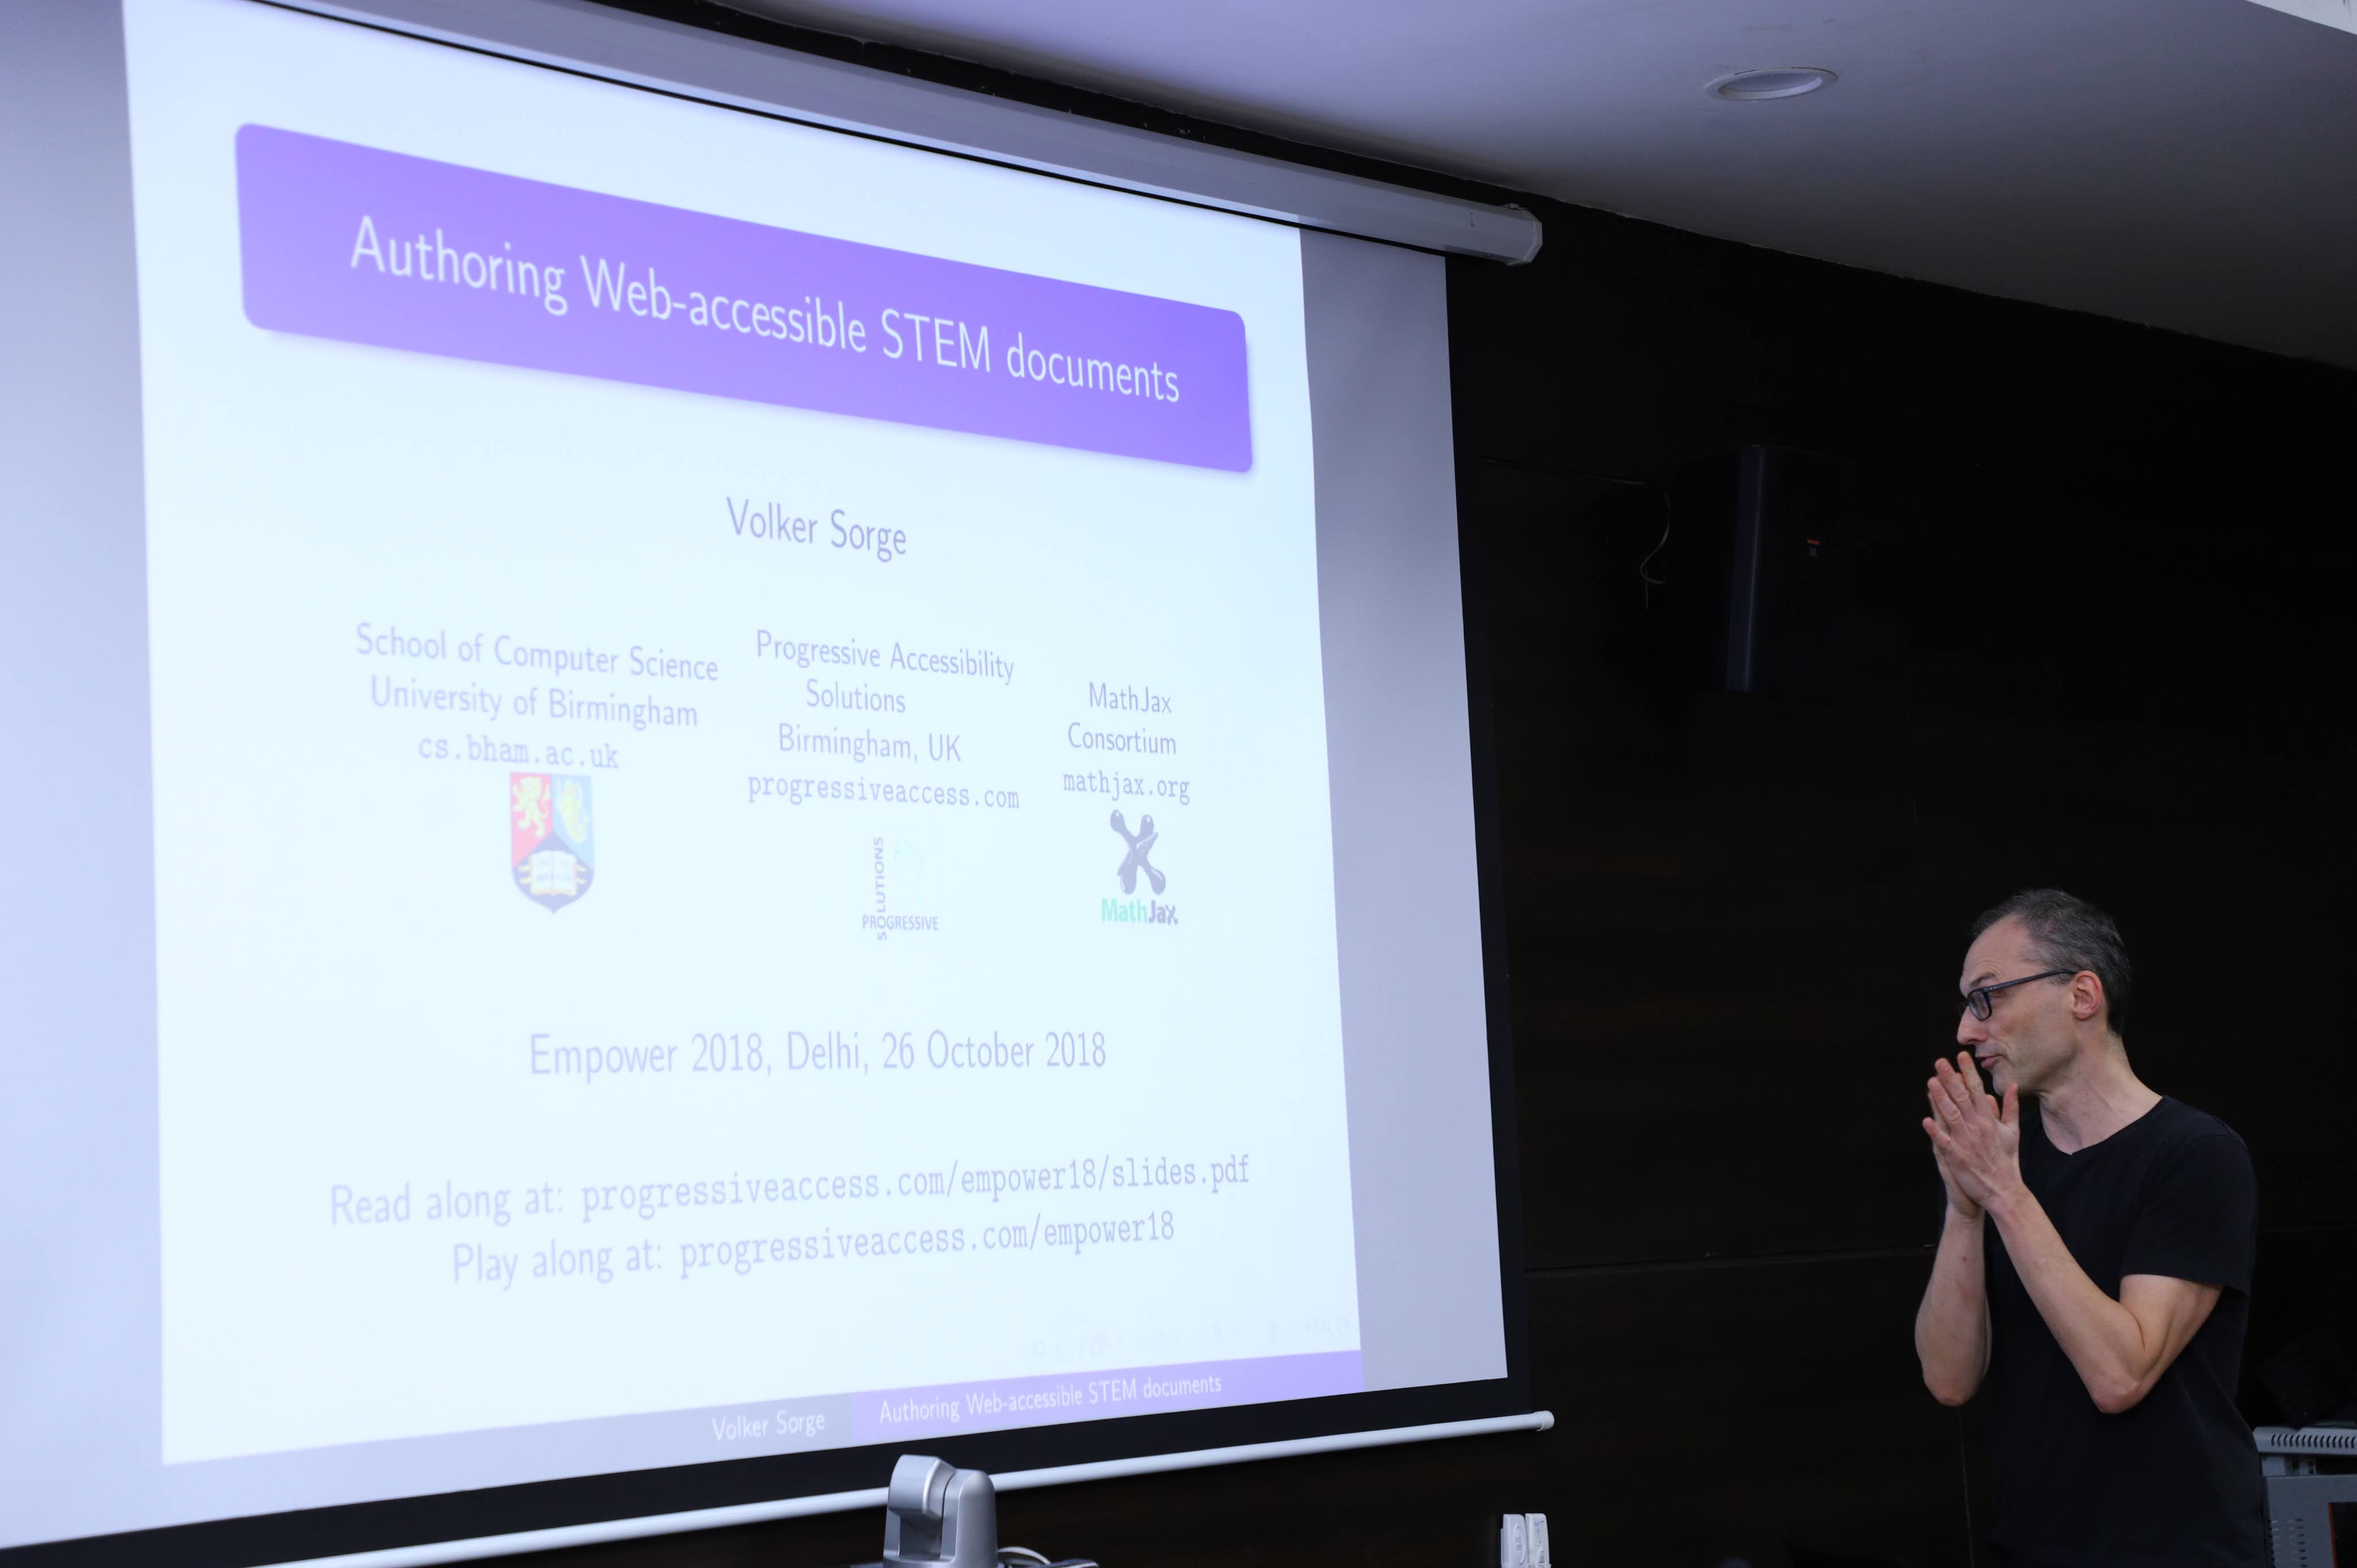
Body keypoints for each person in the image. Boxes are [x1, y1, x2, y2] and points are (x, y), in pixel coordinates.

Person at [1912, 889, 2264, 1567]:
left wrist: (2002, 1193)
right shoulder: (2000, 1158)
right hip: (2032, 1541)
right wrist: (1962, 1206)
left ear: (2080, 994)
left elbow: (2119, 1373)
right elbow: (1949, 1379)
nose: (1965, 1030)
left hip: (2173, 1549)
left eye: (1985, 997)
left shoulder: (2194, 1154)